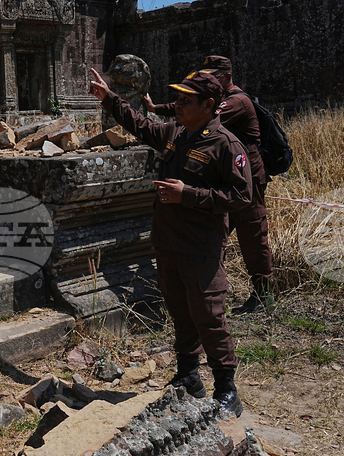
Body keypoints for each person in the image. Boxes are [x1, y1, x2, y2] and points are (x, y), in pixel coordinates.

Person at [89, 67, 251, 416]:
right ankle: (189, 377)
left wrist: (187, 194)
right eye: (177, 98)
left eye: (185, 100)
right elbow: (142, 126)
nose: (176, 105)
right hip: (168, 242)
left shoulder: (226, 144)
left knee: (208, 316)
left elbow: (240, 196)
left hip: (201, 245)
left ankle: (227, 390)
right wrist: (110, 100)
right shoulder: (178, 133)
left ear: (209, 105)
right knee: (179, 310)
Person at [145, 55, 273, 314]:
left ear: (226, 77)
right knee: (217, 236)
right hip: (221, 176)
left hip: (247, 180)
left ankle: (264, 295)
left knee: (253, 238)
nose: (210, 80)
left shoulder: (236, 101)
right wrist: (157, 109)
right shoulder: (218, 100)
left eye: (214, 76)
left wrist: (161, 113)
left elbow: (198, 114)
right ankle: (208, 292)